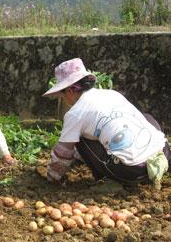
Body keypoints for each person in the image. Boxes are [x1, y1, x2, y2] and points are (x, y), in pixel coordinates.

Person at [43, 58, 170, 189]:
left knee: (79, 138)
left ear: (69, 91)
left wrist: (52, 177)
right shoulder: (112, 94)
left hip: (134, 171)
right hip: (163, 152)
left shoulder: (75, 113)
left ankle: (110, 181)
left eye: (62, 95)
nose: (64, 99)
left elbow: (63, 152)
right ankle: (154, 169)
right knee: (145, 117)